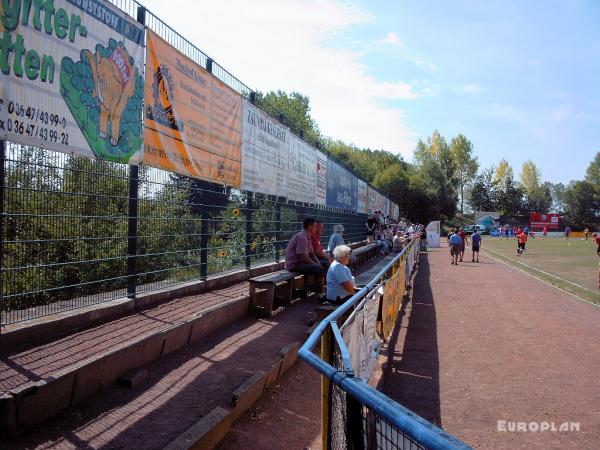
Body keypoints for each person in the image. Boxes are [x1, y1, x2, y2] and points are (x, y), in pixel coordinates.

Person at [285, 217, 325, 297]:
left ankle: (321, 290)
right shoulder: (302, 237)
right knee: (318, 268)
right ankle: (321, 294)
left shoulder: (308, 236)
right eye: (315, 226)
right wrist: (317, 265)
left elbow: (312, 254)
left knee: (322, 264)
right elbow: (304, 258)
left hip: (301, 263)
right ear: (310, 227)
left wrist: (318, 263)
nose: (316, 228)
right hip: (294, 265)